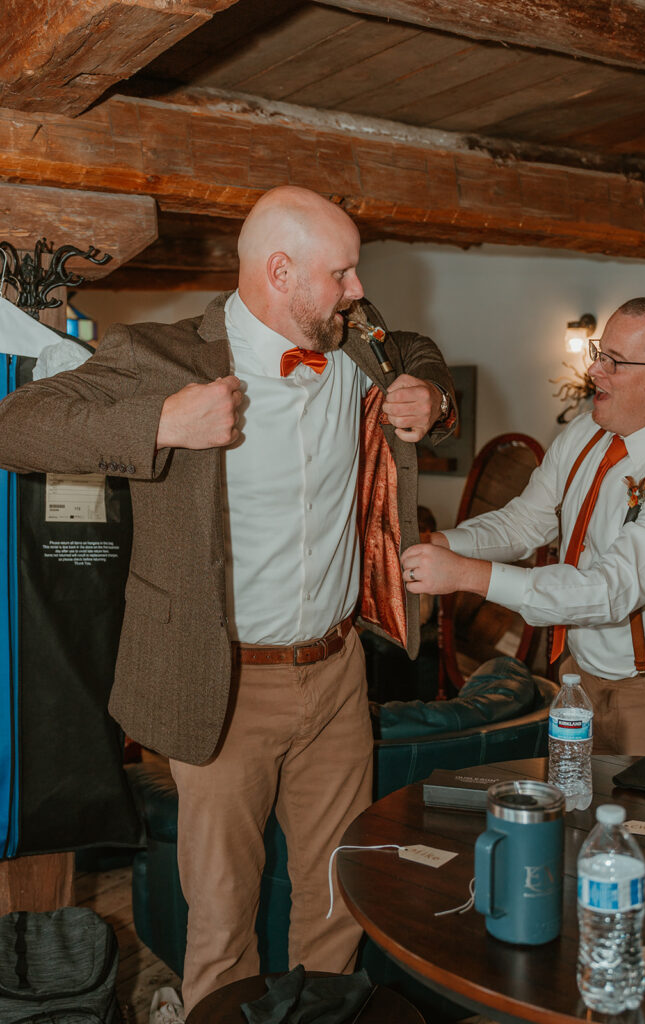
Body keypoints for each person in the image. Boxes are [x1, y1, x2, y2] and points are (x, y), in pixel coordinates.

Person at [0, 186, 455, 1010]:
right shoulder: (163, 356)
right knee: (222, 916)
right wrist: (159, 423)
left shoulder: (356, 345)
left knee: (336, 900)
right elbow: (16, 427)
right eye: (343, 273)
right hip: (224, 682)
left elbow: (416, 347)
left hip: (339, 673)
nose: (358, 290)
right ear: (281, 272)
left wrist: (431, 390)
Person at [402, 297, 645, 763]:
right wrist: (441, 543)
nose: (595, 372)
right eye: (599, 352)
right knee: (580, 820)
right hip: (580, 677)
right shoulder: (586, 433)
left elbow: (609, 592)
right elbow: (526, 521)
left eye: (615, 362)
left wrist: (465, 575)